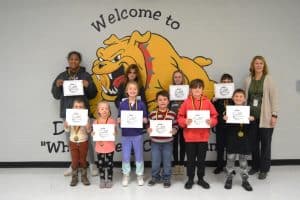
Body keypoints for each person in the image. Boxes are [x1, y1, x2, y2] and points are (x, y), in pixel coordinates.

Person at [51, 51, 98, 176]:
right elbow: (55, 95)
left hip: (83, 112)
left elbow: (93, 94)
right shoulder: (61, 75)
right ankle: (74, 165)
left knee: (87, 139)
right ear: (68, 60)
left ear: (79, 61)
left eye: (76, 59)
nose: (73, 61)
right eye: (71, 59)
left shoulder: (85, 75)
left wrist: (88, 85)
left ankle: (92, 164)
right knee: (72, 141)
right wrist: (57, 85)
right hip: (68, 114)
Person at [177, 79, 218, 189]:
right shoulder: (186, 102)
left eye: (199, 87)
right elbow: (180, 117)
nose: (197, 89)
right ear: (191, 89)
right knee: (190, 160)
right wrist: (184, 121)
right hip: (190, 137)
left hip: (203, 137)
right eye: (195, 87)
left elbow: (214, 116)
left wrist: (211, 121)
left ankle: (200, 178)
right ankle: (190, 179)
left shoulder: (207, 102)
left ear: (202, 89)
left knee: (201, 160)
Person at [245, 55, 279, 180]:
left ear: (264, 66)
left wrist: (274, 114)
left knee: (265, 144)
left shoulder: (269, 79)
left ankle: (264, 169)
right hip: (252, 118)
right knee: (253, 144)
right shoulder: (248, 79)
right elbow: (246, 99)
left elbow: (274, 98)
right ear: (253, 65)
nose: (258, 65)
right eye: (256, 63)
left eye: (261, 63)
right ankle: (255, 166)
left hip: (266, 118)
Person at [117, 81, 148, 186]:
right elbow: (119, 117)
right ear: (126, 91)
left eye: (135, 89)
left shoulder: (141, 104)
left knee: (139, 155)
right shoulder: (122, 104)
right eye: (130, 89)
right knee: (125, 156)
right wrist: (119, 120)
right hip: (126, 134)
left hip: (137, 134)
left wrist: (144, 120)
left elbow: (145, 118)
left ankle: (140, 175)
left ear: (137, 91)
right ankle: (126, 175)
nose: (132, 91)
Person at [223, 89, 254, 191]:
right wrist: (225, 120)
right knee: (230, 160)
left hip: (244, 140)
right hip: (232, 139)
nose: (238, 98)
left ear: (244, 99)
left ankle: (245, 180)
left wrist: (251, 121)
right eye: (236, 96)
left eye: (241, 96)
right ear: (233, 98)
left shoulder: (248, 111)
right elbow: (225, 128)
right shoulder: (228, 111)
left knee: (243, 161)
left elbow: (250, 130)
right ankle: (229, 178)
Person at [147, 90, 178, 188]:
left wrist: (174, 130)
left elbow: (176, 125)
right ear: (156, 101)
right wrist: (149, 129)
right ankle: (155, 177)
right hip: (155, 142)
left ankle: (166, 178)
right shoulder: (152, 114)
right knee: (155, 161)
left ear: (168, 101)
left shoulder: (172, 114)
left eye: (165, 99)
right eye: (160, 100)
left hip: (168, 143)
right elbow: (148, 125)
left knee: (167, 161)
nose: (162, 102)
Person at [63, 98, 91, 186]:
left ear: (84, 108)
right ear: (72, 108)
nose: (78, 108)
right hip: (73, 141)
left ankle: (84, 177)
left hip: (83, 141)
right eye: (76, 106)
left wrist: (87, 126)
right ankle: (74, 177)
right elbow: (67, 130)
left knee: (83, 160)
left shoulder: (86, 118)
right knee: (74, 160)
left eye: (80, 107)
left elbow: (89, 131)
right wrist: (66, 125)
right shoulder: (70, 117)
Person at [212, 73, 234, 174]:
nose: (226, 83)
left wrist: (235, 100)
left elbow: (239, 108)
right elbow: (211, 110)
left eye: (228, 82)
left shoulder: (234, 96)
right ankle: (219, 166)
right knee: (220, 147)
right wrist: (213, 101)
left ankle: (230, 167)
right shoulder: (217, 95)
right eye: (224, 82)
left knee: (230, 147)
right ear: (221, 83)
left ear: (231, 83)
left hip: (231, 126)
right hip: (220, 124)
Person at [93, 101, 117, 188]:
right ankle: (102, 179)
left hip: (109, 147)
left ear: (109, 110)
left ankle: (110, 179)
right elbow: (94, 133)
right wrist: (93, 134)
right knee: (101, 164)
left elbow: (115, 132)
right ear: (98, 111)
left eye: (106, 108)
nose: (104, 110)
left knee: (110, 164)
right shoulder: (96, 122)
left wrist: (114, 132)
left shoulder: (112, 121)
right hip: (99, 147)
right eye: (102, 109)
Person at [169, 70, 186, 175]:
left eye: (179, 77)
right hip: (173, 122)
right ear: (173, 79)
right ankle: (176, 165)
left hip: (184, 121)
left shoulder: (187, 91)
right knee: (174, 144)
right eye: (175, 77)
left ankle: (182, 165)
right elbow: (167, 106)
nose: (177, 79)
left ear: (182, 78)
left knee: (183, 144)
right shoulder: (170, 91)